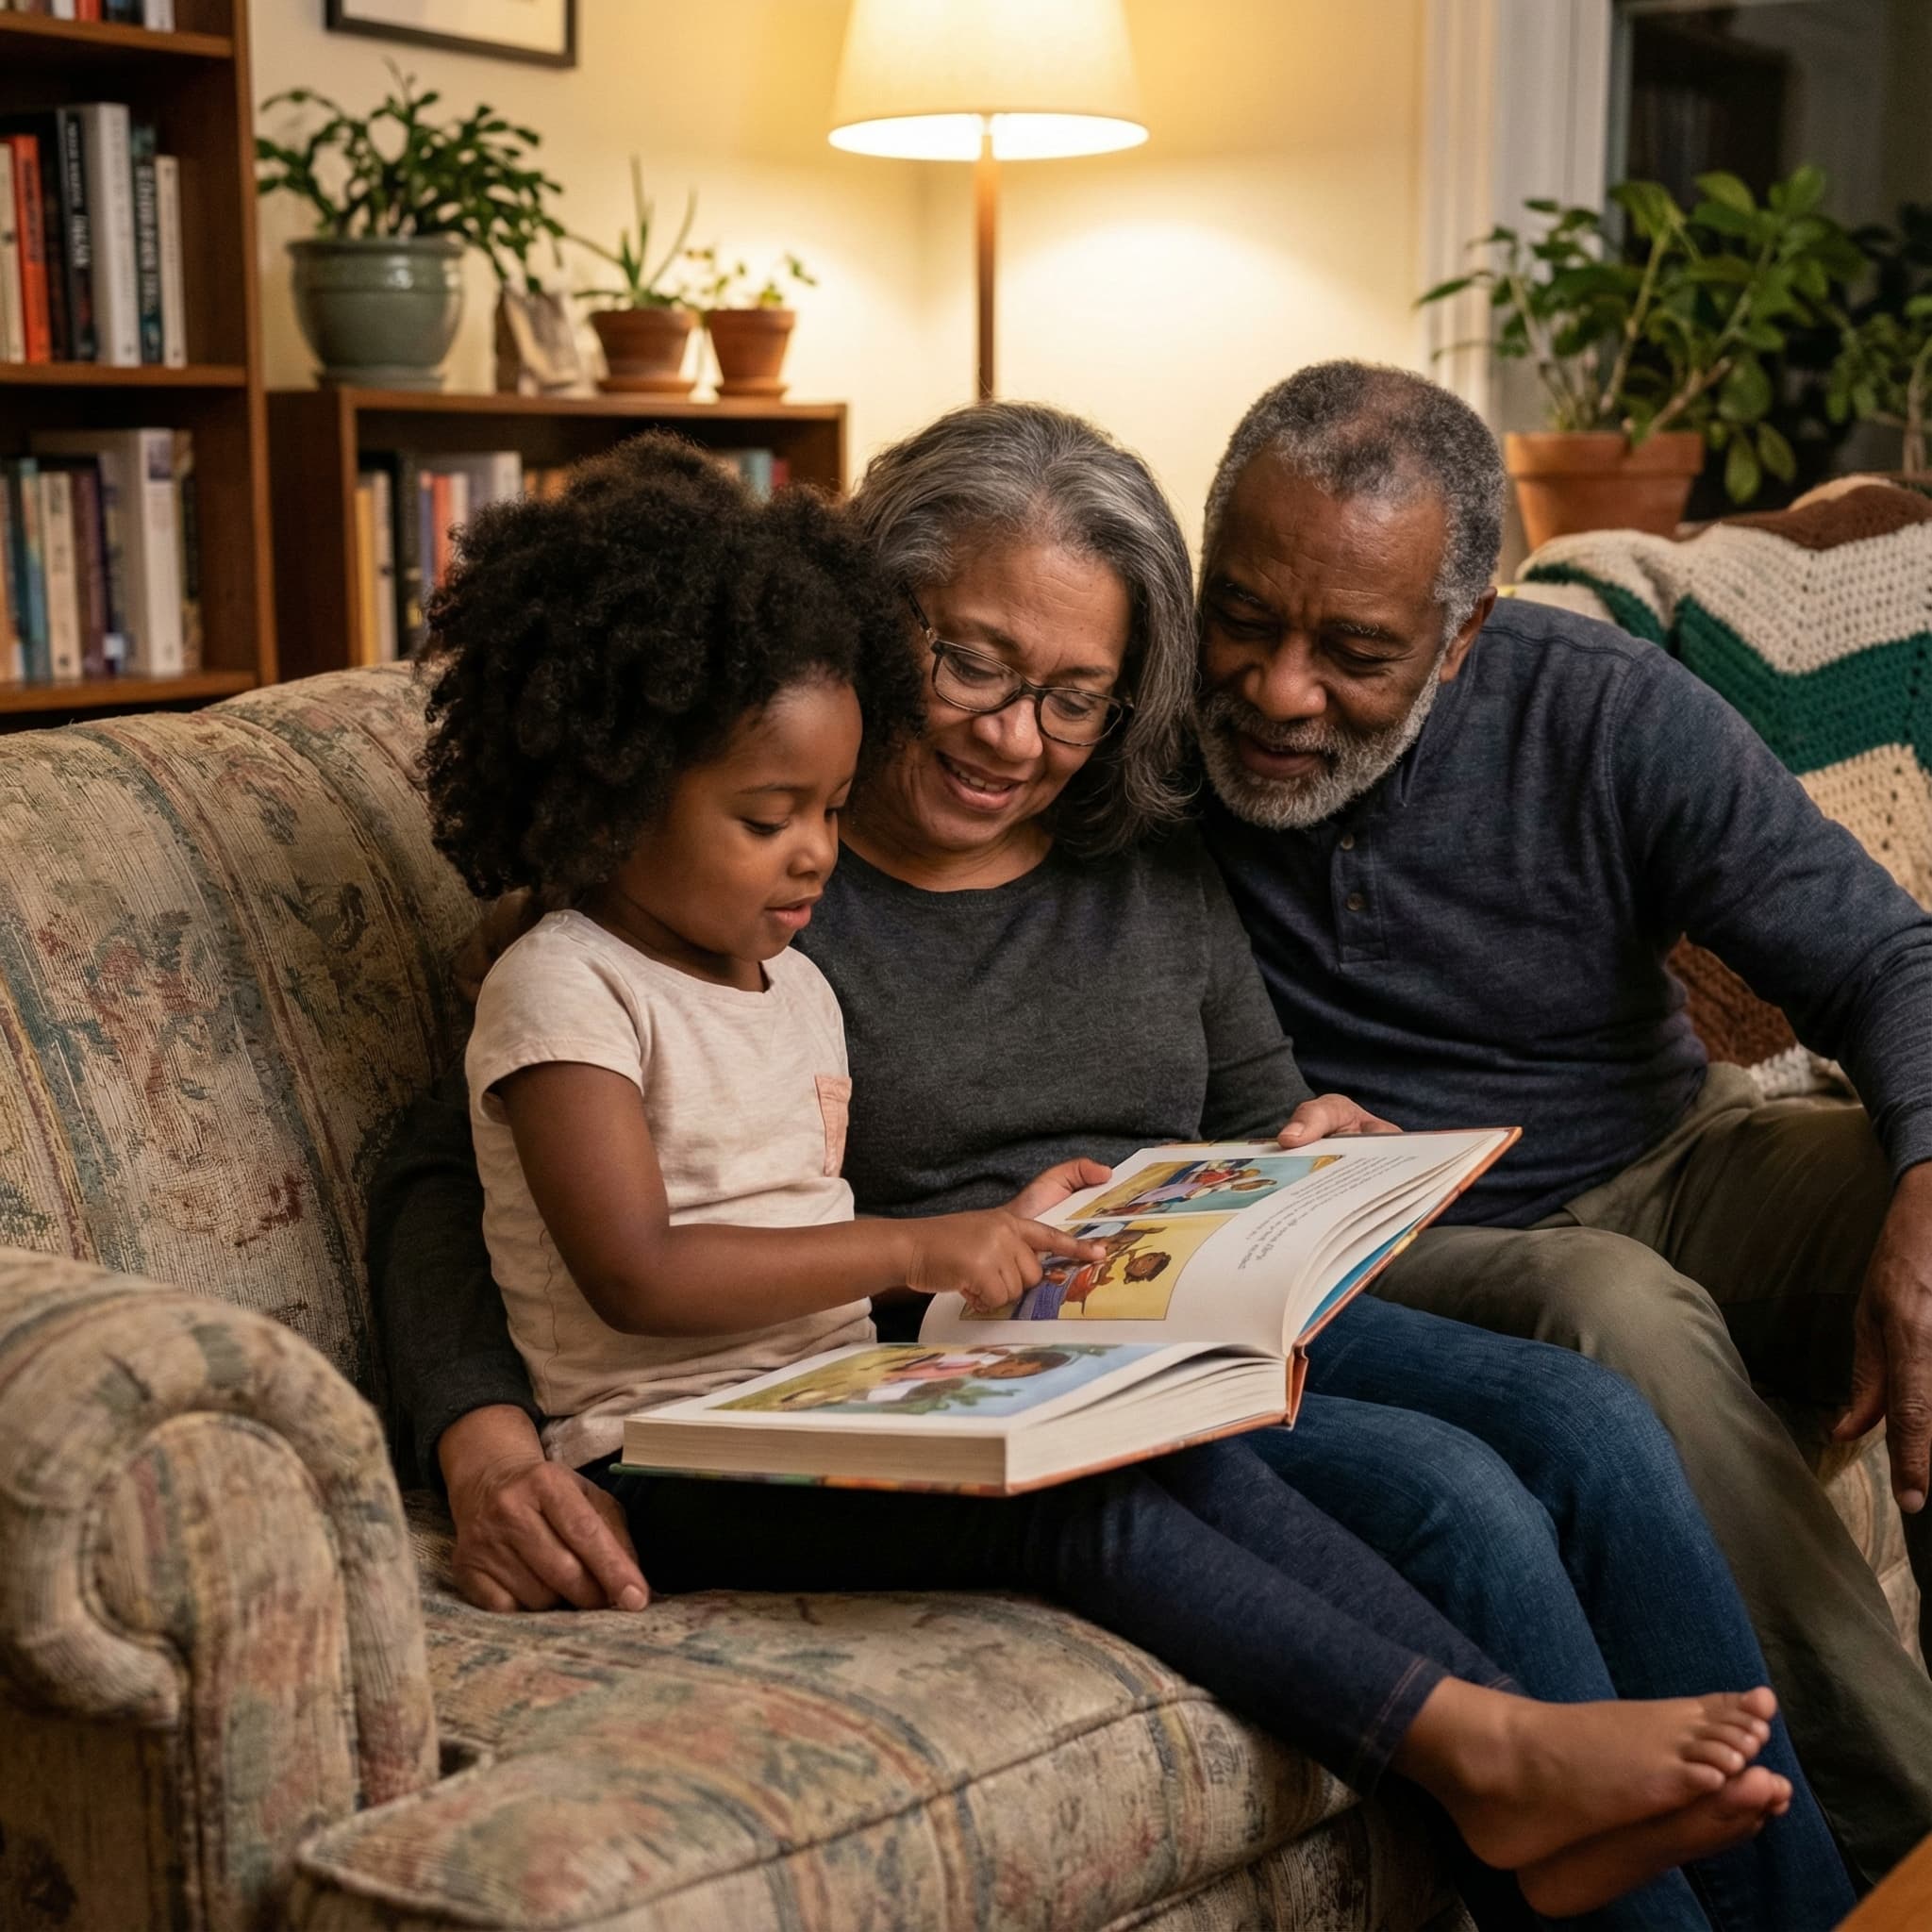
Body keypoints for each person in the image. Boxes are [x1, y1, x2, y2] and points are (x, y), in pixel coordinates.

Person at [374, 407, 1855, 1929]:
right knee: (1453, 1495)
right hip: (944, 1354)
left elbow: (1260, 1096)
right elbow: (449, 1171)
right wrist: (485, 1439)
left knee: (1588, 1417)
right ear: (877, 619)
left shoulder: (1139, 843)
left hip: (1187, 1299)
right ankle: (1556, 1820)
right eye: (973, 667)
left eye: (1074, 697)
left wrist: (1305, 1149)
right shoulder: (712, 886)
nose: (1016, 738)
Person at [1191, 358, 1932, 1888]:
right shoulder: (1133, 745)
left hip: (1675, 1155)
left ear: (1464, 638)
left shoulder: (1602, 712)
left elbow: (1884, 956)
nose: (1277, 691)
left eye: (1356, 651)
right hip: (1401, 1235)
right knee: (1615, 1309)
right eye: (1246, 619)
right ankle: (1893, 1841)